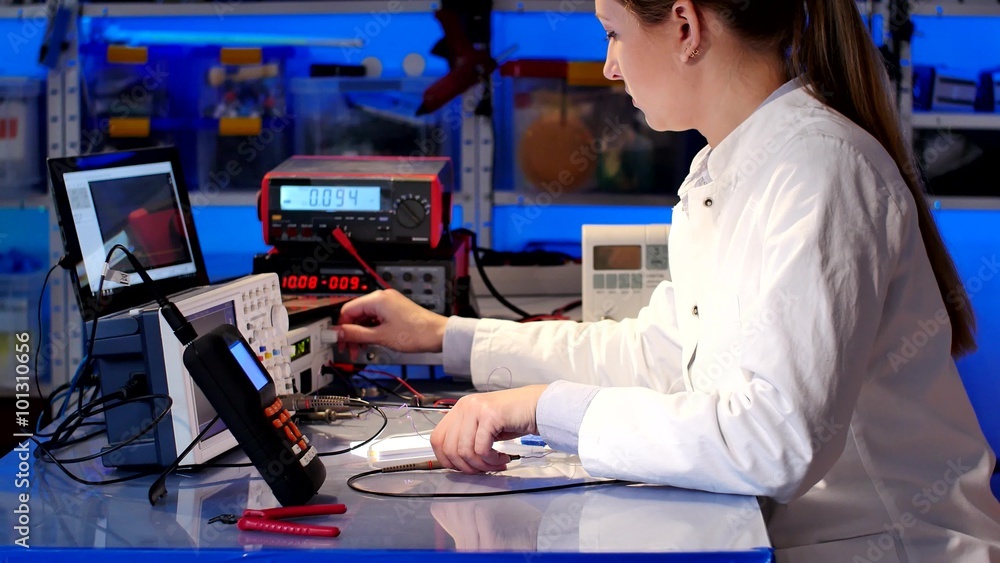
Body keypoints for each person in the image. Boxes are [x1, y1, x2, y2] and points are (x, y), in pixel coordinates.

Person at [335, 0, 1000, 560]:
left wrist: (541, 407)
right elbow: (655, 353)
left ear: (685, 27)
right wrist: (445, 336)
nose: (609, 65)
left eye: (614, 31)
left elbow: (774, 439)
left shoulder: (818, 172)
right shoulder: (726, 173)